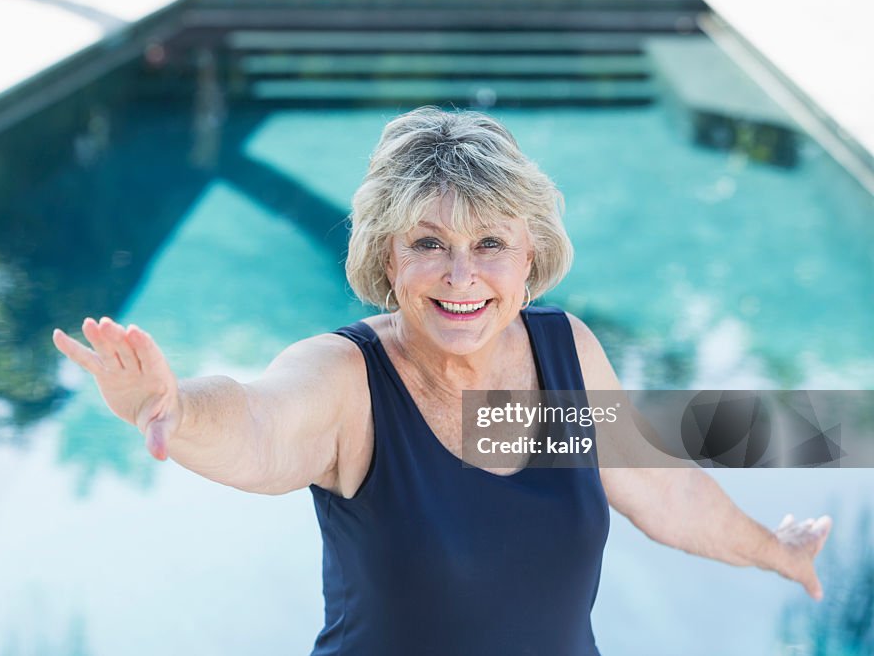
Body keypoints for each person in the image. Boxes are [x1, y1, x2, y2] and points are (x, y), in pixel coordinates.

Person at [52, 107, 832, 655]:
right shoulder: (350, 378)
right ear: (388, 258)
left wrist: (775, 549)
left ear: (532, 257)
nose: (463, 276)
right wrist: (178, 407)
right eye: (429, 242)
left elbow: (662, 488)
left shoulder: (562, 353)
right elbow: (259, 425)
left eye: (490, 241)